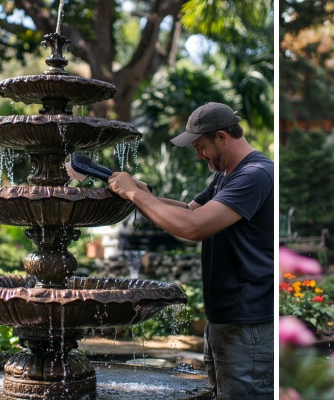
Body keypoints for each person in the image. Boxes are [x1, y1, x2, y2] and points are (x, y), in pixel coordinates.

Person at [108, 102, 274, 399]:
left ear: (222, 137)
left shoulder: (255, 175)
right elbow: (187, 210)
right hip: (224, 320)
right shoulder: (226, 175)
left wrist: (132, 193)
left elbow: (193, 227)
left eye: (200, 147)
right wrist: (144, 196)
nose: (199, 155)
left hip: (248, 324)